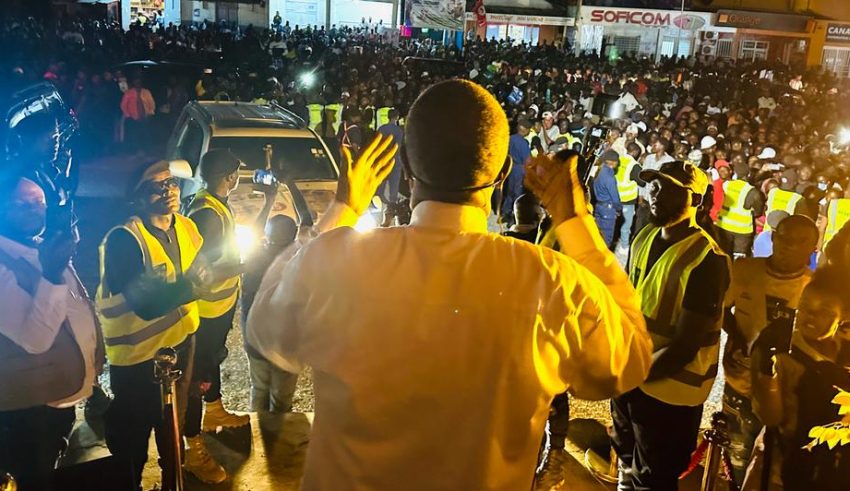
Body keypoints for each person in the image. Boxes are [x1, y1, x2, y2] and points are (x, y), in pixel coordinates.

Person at [248, 80, 652, 490]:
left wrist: (342, 210)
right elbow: (631, 360)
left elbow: (264, 329)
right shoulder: (552, 282)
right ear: (503, 173)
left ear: (405, 166)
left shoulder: (335, 260)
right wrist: (575, 222)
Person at [611, 160, 731, 491]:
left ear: (695, 200)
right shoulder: (644, 236)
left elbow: (684, 345)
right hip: (632, 372)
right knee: (628, 453)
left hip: (671, 389)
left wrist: (631, 373)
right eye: (653, 184)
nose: (654, 193)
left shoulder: (707, 259)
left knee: (656, 474)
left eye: (666, 188)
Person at [98, 161, 207, 490]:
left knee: (172, 425)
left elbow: (202, 267)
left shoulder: (186, 227)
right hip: (137, 360)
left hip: (181, 346)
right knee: (133, 439)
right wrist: (193, 286)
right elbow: (144, 305)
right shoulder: (123, 240)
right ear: (137, 199)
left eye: (172, 183)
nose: (169, 190)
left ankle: (172, 477)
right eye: (156, 187)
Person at [0, 174, 101, 491]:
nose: (35, 209)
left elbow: (72, 307)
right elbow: (35, 340)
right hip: (31, 408)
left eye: (39, 201)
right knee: (35, 476)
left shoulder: (40, 246)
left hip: (59, 398)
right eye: (22, 203)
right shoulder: (4, 263)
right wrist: (54, 272)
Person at [720, 214, 818, 484]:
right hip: (740, 384)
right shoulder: (744, 270)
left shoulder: (814, 289)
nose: (790, 246)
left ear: (813, 248)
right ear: (773, 237)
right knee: (735, 458)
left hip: (787, 397)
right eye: (784, 237)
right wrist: (740, 337)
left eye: (801, 242)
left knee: (773, 469)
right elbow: (720, 309)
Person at [184, 149, 255, 483]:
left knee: (211, 362)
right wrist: (246, 266)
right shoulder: (207, 214)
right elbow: (205, 270)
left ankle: (214, 411)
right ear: (230, 177)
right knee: (196, 376)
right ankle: (192, 446)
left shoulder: (211, 202)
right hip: (206, 311)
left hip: (218, 308)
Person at [751, 269, 850, 490]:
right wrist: (766, 368)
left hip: (834, 466)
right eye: (805, 306)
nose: (811, 316)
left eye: (824, 311)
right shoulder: (783, 350)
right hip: (785, 467)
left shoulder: (844, 353)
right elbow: (770, 416)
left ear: (843, 315)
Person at [241, 215, 299, 413]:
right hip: (287, 345)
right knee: (282, 399)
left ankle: (257, 434)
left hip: (256, 342)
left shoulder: (254, 260)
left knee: (259, 391)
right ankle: (278, 438)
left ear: (267, 236)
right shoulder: (299, 260)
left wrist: (269, 201)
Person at [717, 161, 764, 259]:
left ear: (735, 173)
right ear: (749, 174)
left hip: (724, 225)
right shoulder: (753, 192)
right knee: (738, 258)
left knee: (723, 254)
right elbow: (758, 212)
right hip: (742, 230)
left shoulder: (726, 185)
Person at [635, 138, 674, 233]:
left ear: (662, 147)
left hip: (657, 202)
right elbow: (642, 178)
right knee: (639, 226)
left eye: (655, 144)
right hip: (645, 199)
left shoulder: (670, 161)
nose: (652, 146)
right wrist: (640, 196)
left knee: (651, 229)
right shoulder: (649, 158)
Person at [615, 143, 643, 265]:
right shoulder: (634, 166)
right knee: (626, 226)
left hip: (614, 198)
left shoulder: (618, 159)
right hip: (627, 200)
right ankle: (624, 247)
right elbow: (642, 182)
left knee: (615, 222)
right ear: (636, 153)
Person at [376, 109, 405, 225]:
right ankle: (391, 206)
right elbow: (398, 146)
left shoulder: (381, 128)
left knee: (382, 179)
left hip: (383, 158)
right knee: (394, 183)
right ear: (397, 117)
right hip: (395, 159)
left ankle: (380, 198)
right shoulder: (398, 130)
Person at [502, 119, 532, 224]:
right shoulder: (523, 143)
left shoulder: (510, 138)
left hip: (511, 167)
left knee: (509, 192)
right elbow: (528, 161)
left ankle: (505, 213)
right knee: (518, 194)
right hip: (520, 169)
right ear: (525, 130)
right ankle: (513, 218)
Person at [593, 150, 622, 248]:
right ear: (614, 162)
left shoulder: (600, 171)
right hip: (608, 210)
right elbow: (615, 198)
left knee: (596, 236)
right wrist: (618, 209)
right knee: (606, 239)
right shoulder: (610, 177)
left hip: (599, 206)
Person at [120, 77, 155, 152]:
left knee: (146, 133)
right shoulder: (129, 93)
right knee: (134, 135)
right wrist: (128, 115)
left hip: (144, 116)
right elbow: (123, 105)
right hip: (133, 117)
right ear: (134, 83)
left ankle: (147, 149)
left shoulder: (146, 92)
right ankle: (136, 150)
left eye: (139, 82)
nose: (137, 83)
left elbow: (151, 103)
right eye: (136, 82)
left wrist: (150, 113)